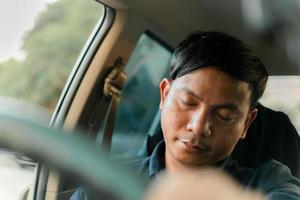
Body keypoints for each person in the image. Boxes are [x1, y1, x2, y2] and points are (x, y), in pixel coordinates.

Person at [70, 31, 300, 200]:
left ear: (246, 123)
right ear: (164, 94)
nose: (199, 127)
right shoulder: (102, 187)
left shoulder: (267, 182)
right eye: (188, 102)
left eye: (224, 115)